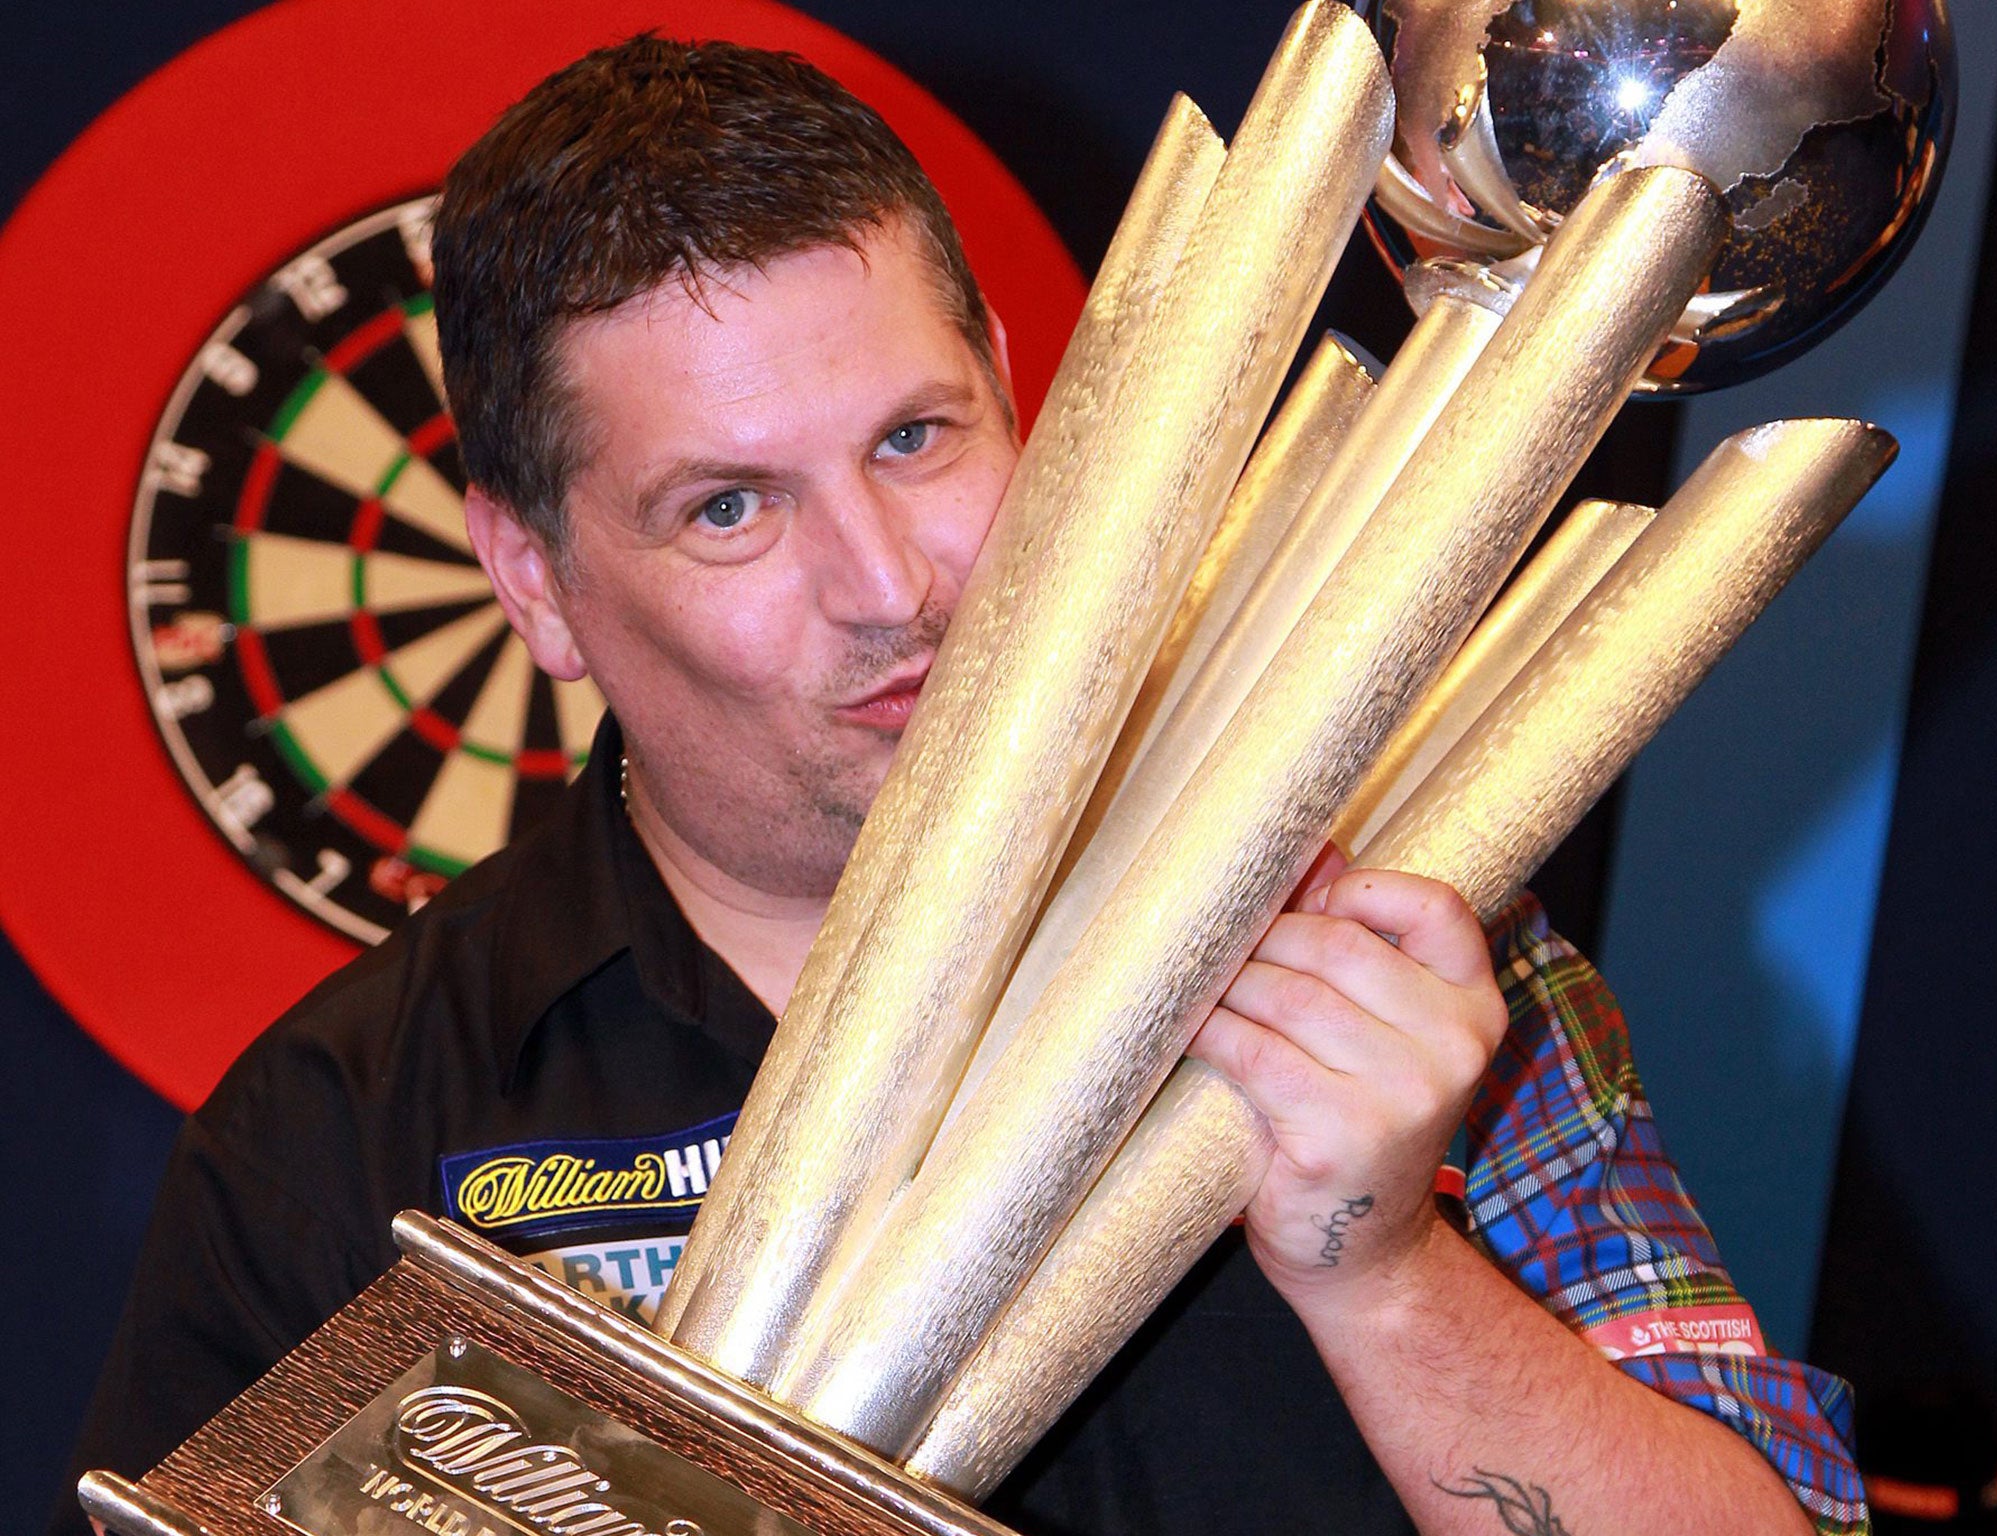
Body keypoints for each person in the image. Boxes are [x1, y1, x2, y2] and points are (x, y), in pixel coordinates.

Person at [56, 37, 1866, 1536]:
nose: (891, 582)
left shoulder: (1392, 935)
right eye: (729, 506)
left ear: (1030, 395)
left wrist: (1385, 1271)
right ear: (534, 582)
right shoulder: (341, 1136)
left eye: (915, 439)